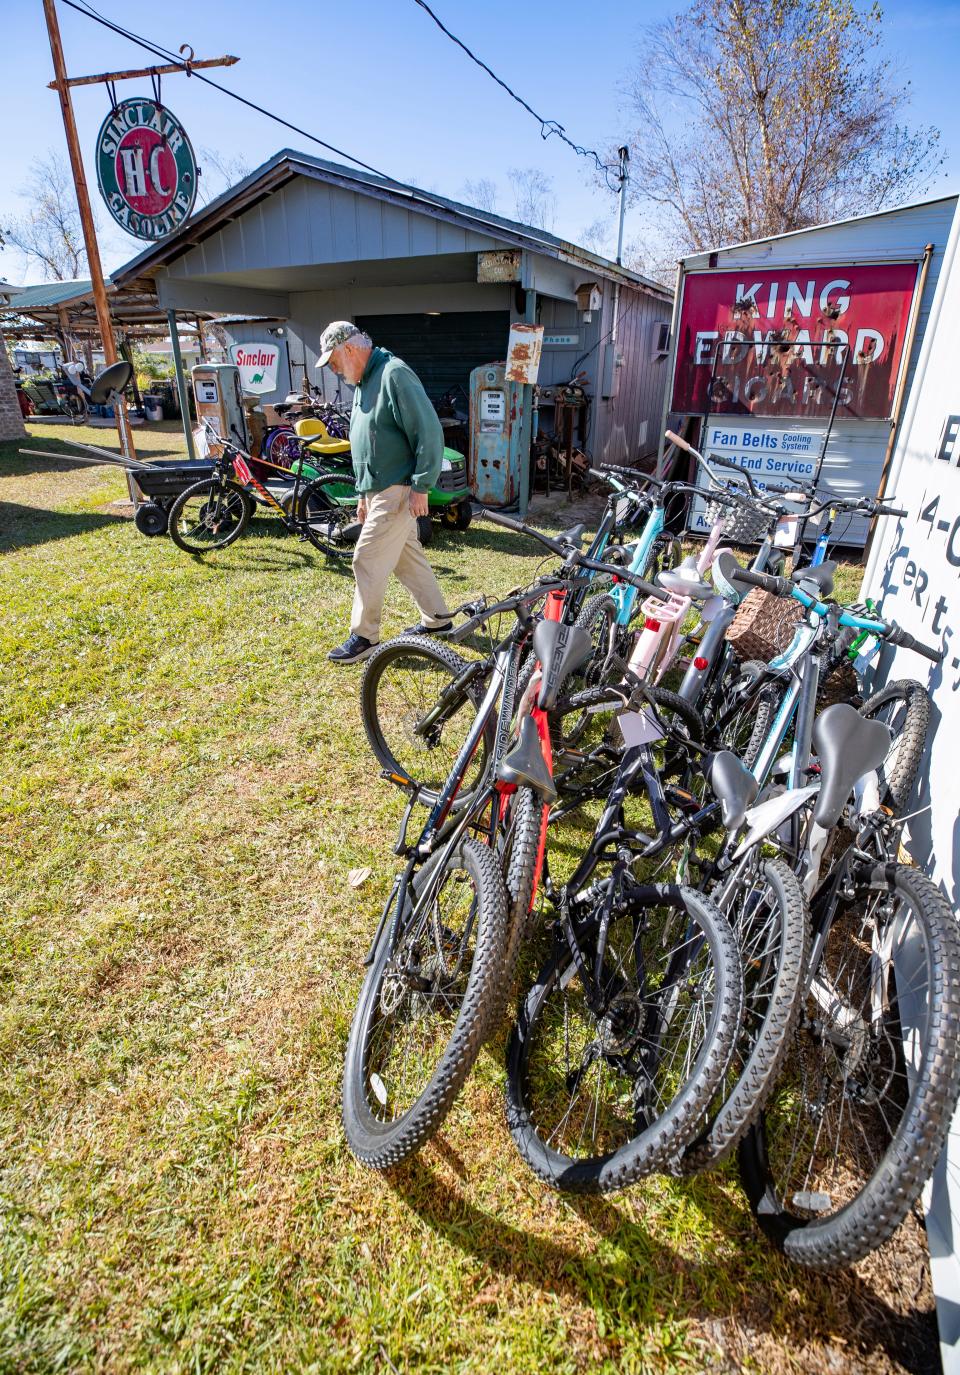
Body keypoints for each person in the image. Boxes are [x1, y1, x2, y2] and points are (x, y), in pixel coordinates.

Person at [318, 322, 452, 665]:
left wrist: (422, 484)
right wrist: (363, 493)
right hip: (379, 489)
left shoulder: (394, 374)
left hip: (398, 488)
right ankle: (437, 619)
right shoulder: (365, 381)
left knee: (367, 557)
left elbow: (429, 431)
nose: (332, 369)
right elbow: (370, 441)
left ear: (348, 349)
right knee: (407, 558)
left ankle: (364, 637)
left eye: (332, 361)